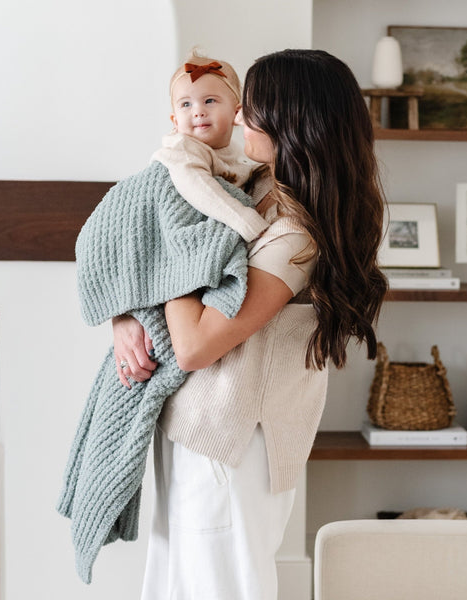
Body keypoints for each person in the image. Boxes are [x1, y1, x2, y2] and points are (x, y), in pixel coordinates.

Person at [113, 48, 388, 600]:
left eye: (252, 108)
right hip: (202, 432)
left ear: (290, 121)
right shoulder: (256, 192)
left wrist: (167, 264)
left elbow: (193, 345)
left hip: (230, 445)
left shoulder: (293, 237)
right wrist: (125, 317)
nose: (236, 117)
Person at [150, 51, 268, 246]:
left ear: (237, 112)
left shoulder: (236, 152)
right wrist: (247, 221)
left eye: (209, 101)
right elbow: (199, 187)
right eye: (186, 104)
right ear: (175, 121)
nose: (198, 112)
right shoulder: (184, 148)